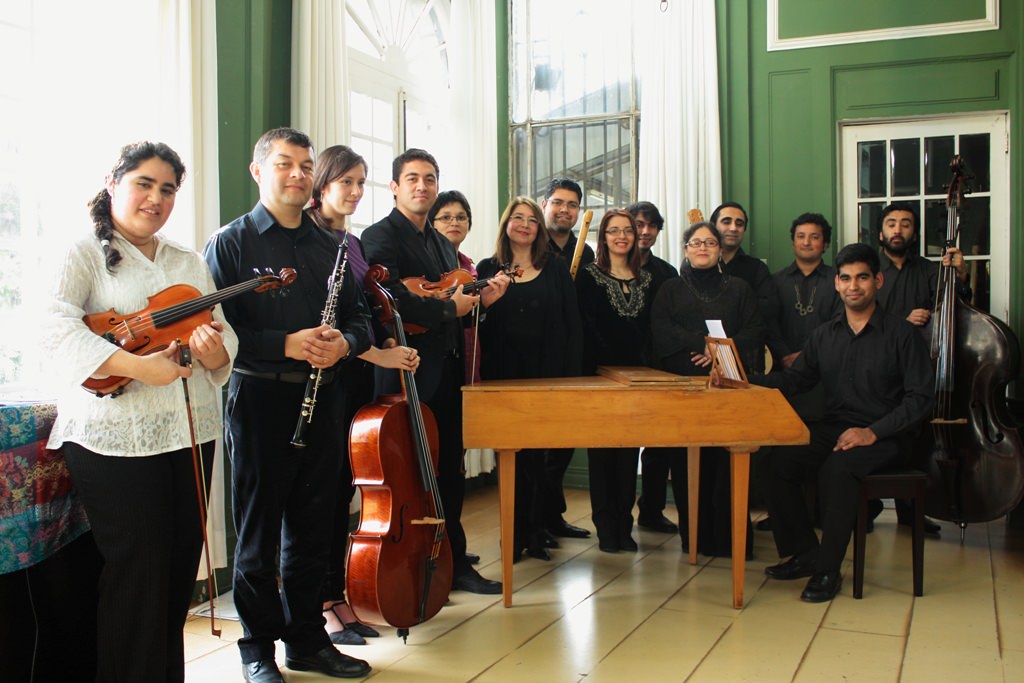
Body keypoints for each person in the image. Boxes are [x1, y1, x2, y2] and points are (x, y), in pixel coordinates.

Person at [44, 141, 238, 682]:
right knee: (139, 575)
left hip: (189, 432)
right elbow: (53, 330)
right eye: (144, 184)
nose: (156, 198)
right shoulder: (82, 252)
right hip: (114, 438)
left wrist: (214, 353)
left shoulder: (188, 261)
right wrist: (135, 366)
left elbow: (224, 336)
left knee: (177, 572)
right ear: (113, 184)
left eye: (168, 189)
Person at [204, 128, 372, 683]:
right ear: (259, 171)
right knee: (257, 536)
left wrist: (346, 343)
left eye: (305, 165)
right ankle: (256, 650)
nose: (297, 174)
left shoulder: (331, 245)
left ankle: (306, 641)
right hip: (260, 399)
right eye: (284, 164)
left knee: (313, 527)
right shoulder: (231, 243)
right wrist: (286, 344)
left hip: (324, 397)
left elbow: (360, 317)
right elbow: (218, 331)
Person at [361, 148, 509, 595]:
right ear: (394, 187)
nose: (421, 186)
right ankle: (410, 561)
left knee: (449, 469)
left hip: (446, 371)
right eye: (412, 178)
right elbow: (388, 298)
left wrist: (480, 303)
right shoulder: (379, 235)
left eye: (429, 178)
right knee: (408, 473)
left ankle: (451, 559)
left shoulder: (443, 243)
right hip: (405, 372)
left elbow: (454, 298)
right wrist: (450, 310)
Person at [752, 243, 934, 603]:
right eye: (846, 278)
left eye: (862, 278)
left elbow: (920, 399)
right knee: (775, 461)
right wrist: (744, 381)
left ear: (877, 281)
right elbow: (794, 381)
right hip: (837, 428)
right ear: (837, 283)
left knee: (838, 469)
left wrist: (872, 432)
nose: (854, 286)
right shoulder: (824, 335)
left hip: (889, 436)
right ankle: (805, 553)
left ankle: (827, 571)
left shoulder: (903, 334)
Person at [306, 144, 420, 647]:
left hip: (352, 377)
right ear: (322, 184)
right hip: (324, 377)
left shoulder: (350, 242)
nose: (354, 192)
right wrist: (379, 356)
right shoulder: (310, 239)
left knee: (342, 491)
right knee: (321, 497)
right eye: (345, 182)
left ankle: (336, 595)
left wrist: (386, 342)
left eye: (359, 182)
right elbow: (325, 324)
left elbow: (358, 312)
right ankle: (321, 604)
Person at [476, 197, 582, 561]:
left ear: (539, 229)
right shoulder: (487, 268)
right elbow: (475, 324)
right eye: (517, 218)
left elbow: (571, 325)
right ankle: (513, 535)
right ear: (506, 224)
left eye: (532, 220)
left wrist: (569, 380)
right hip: (503, 376)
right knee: (510, 459)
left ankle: (536, 534)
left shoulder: (555, 268)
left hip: (546, 375)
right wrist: (487, 304)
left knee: (538, 458)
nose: (524, 225)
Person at [650, 222, 764, 557]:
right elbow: (660, 330)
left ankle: (730, 541)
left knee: (727, 465)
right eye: (696, 243)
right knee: (687, 464)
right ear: (686, 249)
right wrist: (702, 344)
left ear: (720, 250)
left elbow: (755, 329)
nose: (703, 248)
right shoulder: (670, 288)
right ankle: (695, 539)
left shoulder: (740, 288)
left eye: (710, 243)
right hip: (683, 388)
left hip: (728, 386)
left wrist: (720, 351)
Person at [875, 201, 970, 534]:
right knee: (881, 432)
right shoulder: (871, 272)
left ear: (914, 232)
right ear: (881, 232)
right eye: (891, 223)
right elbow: (860, 314)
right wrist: (902, 320)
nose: (898, 230)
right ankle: (867, 506)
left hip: (922, 365)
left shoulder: (931, 270)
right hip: (881, 366)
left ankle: (912, 510)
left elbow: (956, 309)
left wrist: (960, 275)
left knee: (916, 439)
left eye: (905, 224)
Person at [756, 213, 842, 533]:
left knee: (817, 444)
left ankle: (821, 512)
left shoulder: (837, 280)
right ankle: (783, 514)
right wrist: (784, 354)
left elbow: (837, 324)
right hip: (785, 375)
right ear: (792, 241)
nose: (807, 242)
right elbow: (768, 323)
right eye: (801, 236)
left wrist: (807, 356)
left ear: (825, 244)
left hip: (825, 377)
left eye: (814, 237)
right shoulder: (776, 280)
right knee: (781, 443)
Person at [576, 209, 654, 552]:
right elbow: (585, 327)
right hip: (599, 378)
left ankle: (625, 525)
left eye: (627, 230)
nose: (621, 236)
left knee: (628, 454)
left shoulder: (648, 279)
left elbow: (651, 330)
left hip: (638, 380)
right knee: (602, 455)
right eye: (613, 230)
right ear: (603, 237)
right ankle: (606, 527)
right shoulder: (588, 277)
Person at [539, 177, 593, 540]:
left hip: (572, 358)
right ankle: (534, 521)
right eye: (558, 202)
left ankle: (552, 516)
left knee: (563, 442)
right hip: (537, 357)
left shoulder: (585, 252)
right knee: (537, 445)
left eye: (572, 205)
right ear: (545, 205)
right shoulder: (531, 244)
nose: (565, 210)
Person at [625, 200, 680, 535]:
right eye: (638, 225)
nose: (645, 232)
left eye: (651, 226)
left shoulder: (667, 273)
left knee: (661, 443)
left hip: (660, 366)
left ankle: (652, 510)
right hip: (621, 367)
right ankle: (618, 517)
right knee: (623, 444)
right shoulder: (610, 266)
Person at [708, 201, 779, 373]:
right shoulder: (698, 266)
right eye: (726, 222)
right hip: (706, 354)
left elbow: (767, 309)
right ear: (713, 226)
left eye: (739, 224)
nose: (733, 228)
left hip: (746, 357)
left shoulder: (757, 268)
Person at [429, 189, 481, 385]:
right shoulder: (428, 263)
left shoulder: (469, 266)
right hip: (438, 360)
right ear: (431, 223)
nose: (454, 223)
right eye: (445, 217)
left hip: (465, 352)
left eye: (461, 217)